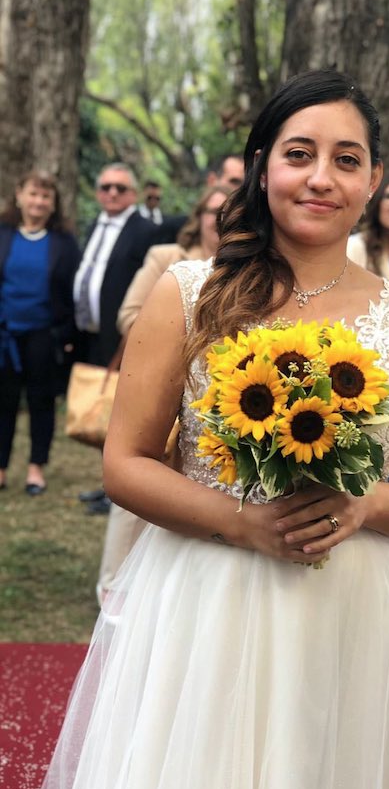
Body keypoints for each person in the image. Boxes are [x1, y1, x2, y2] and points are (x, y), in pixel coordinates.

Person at [22, 70, 389, 789]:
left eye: (347, 159)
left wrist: (363, 505)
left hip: (352, 607)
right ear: (262, 167)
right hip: (209, 598)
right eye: (299, 154)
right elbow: (123, 464)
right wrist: (240, 523)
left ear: (374, 180)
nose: (321, 177)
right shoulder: (191, 293)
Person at [96, 184, 231, 603]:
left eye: (228, 210)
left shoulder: (259, 272)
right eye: (211, 211)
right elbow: (129, 315)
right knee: (137, 495)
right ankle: (115, 589)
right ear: (199, 217)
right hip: (164, 393)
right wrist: (178, 332)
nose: (219, 218)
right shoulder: (168, 260)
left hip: (222, 410)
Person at [74, 162, 156, 514]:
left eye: (119, 188)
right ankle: (106, 483)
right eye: (105, 187)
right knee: (101, 411)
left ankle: (119, 493)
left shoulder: (145, 230)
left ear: (133, 194)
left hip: (122, 336)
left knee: (122, 416)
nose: (111, 193)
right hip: (89, 332)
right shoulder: (95, 224)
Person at [0, 170, 80, 495]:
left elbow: (75, 291)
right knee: (2, 403)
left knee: (41, 402)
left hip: (44, 337)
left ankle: (36, 469)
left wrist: (68, 335)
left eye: (45, 196)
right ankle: (1, 469)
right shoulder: (4, 234)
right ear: (19, 196)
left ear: (53, 204)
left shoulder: (64, 243)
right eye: (33, 194)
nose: (38, 201)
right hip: (4, 337)